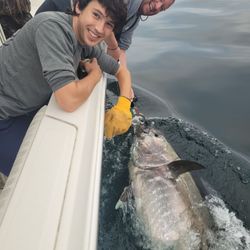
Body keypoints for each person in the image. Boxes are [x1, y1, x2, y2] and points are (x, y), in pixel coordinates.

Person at [0, 0, 133, 176]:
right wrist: (95, 75)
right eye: (96, 15)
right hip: (4, 115)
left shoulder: (84, 40)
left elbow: (122, 72)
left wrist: (123, 106)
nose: (100, 29)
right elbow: (68, 101)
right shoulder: (52, 28)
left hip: (24, 106)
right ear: (79, 7)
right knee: (41, 175)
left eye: (109, 24)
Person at [35, 0, 175, 66]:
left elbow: (121, 52)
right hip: (56, 13)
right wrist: (113, 50)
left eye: (162, 8)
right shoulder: (125, 3)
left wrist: (124, 82)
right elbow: (104, 29)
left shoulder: (134, 19)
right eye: (160, 0)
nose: (157, 6)